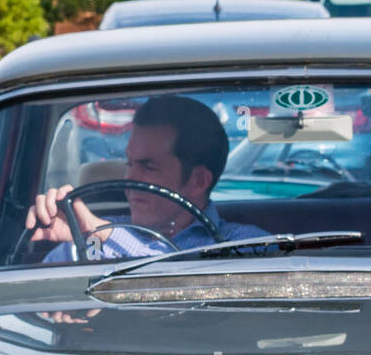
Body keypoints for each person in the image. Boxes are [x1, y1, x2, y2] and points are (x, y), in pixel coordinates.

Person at [27, 94, 267, 260]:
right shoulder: (84, 238)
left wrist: (107, 235)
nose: (131, 182)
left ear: (198, 181)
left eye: (148, 167)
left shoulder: (244, 244)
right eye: (129, 164)